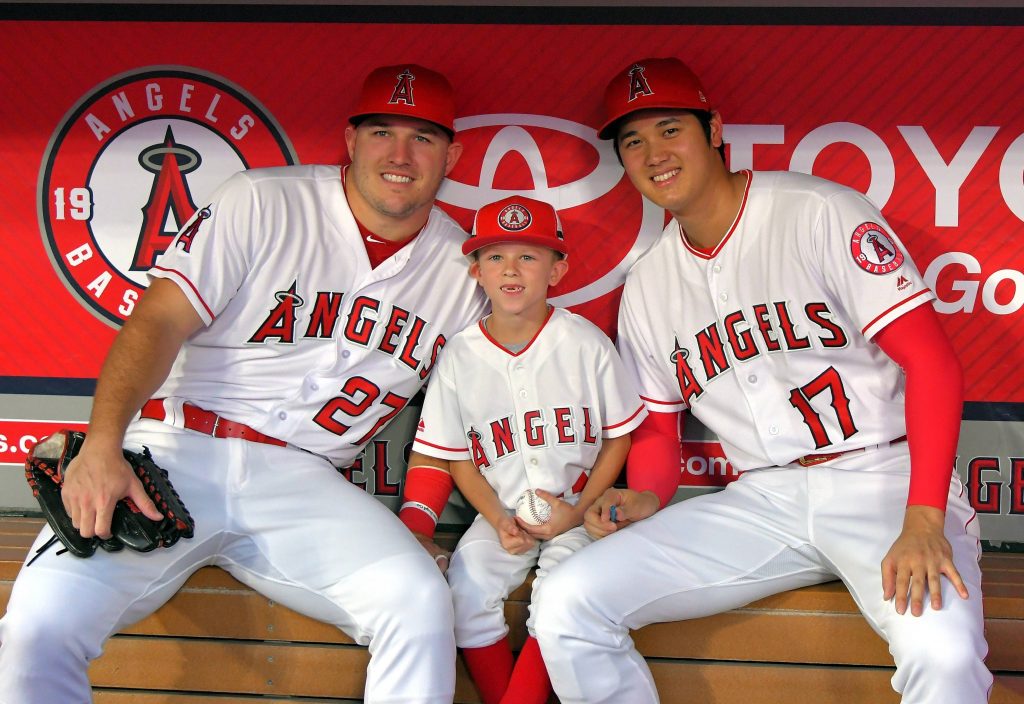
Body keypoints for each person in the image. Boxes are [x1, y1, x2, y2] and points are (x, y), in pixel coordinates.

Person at [0, 63, 487, 704]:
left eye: (422, 138)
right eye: (381, 132)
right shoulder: (263, 200)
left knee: (421, 605)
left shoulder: (466, 268)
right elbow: (158, 320)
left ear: (451, 154)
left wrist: (420, 522)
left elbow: (459, 414)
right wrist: (102, 445)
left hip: (308, 484)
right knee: (37, 628)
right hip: (175, 455)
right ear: (351, 140)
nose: (399, 155)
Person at [533, 57, 992, 704]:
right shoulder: (650, 282)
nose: (653, 154)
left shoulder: (816, 212)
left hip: (885, 482)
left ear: (715, 128)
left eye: (670, 129)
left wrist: (923, 518)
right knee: (566, 600)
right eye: (632, 141)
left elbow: (934, 365)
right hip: (763, 501)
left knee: (943, 657)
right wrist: (645, 498)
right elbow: (660, 432)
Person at [408, 195, 646, 704]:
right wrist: (496, 519)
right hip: (501, 513)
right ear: (475, 271)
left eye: (529, 256)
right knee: (465, 593)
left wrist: (578, 511)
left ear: (557, 269)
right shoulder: (459, 355)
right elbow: (457, 457)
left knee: (559, 601)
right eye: (494, 257)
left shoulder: (584, 342)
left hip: (577, 510)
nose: (510, 269)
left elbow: (618, 437)